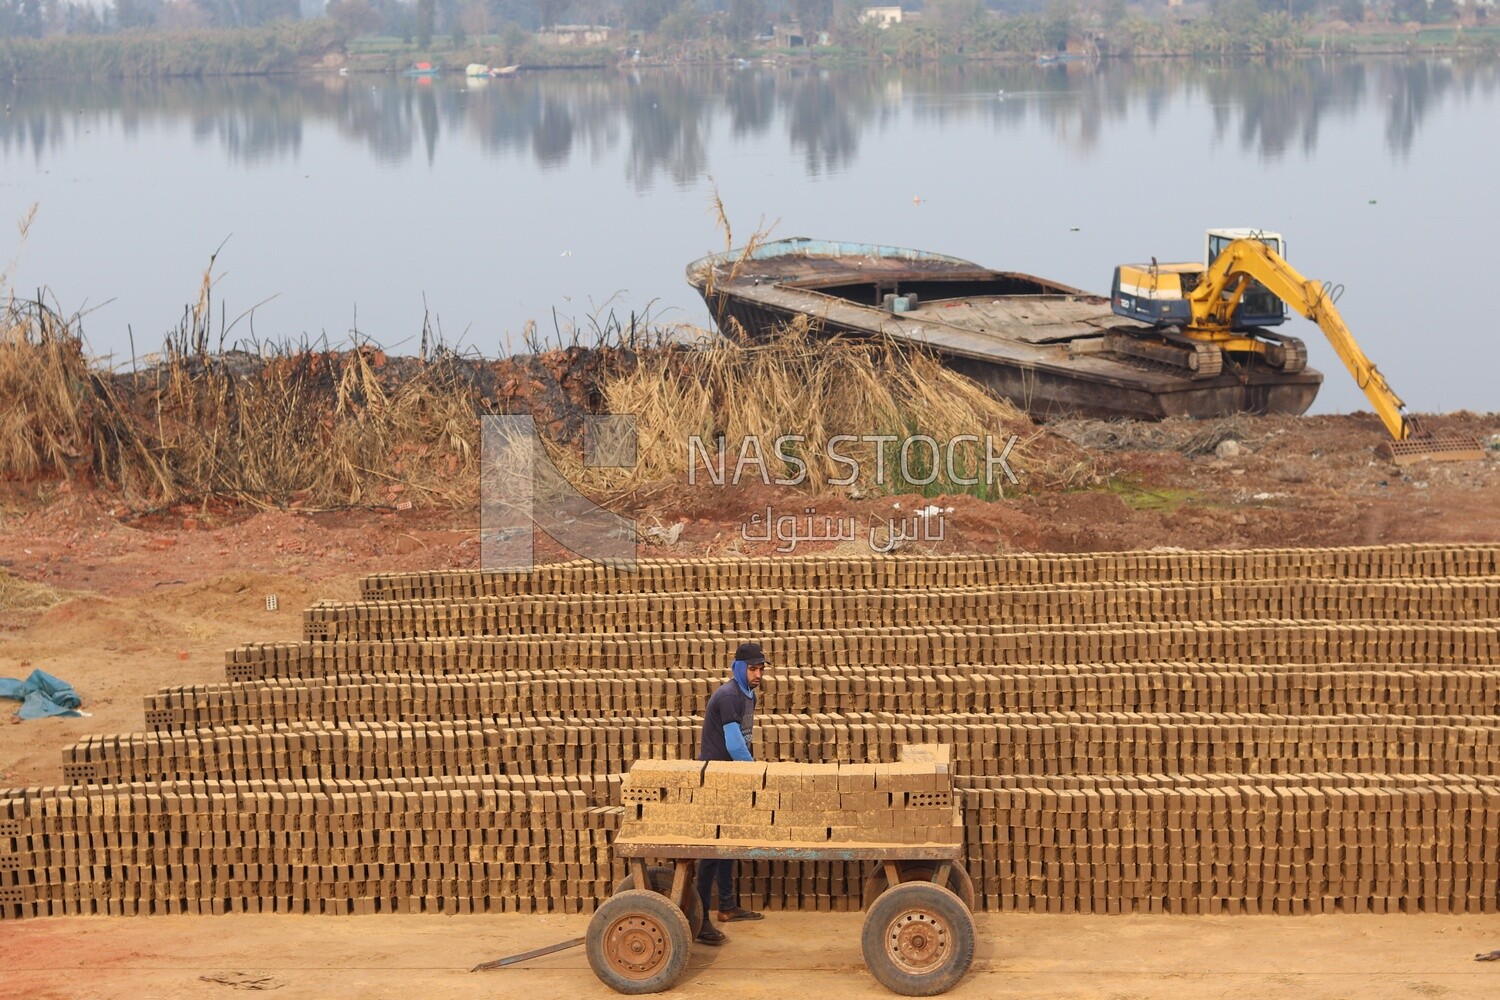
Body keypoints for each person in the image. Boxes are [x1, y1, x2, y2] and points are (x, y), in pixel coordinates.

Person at [694, 640, 768, 945]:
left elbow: (743, 741)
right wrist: (756, 773)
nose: (758, 674)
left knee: (729, 845)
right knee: (712, 851)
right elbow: (735, 744)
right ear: (739, 668)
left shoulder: (747, 693)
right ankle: (698, 921)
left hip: (732, 776)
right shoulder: (727, 696)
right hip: (716, 779)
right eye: (753, 668)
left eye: (762, 669)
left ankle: (726, 907)